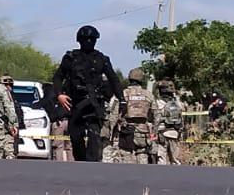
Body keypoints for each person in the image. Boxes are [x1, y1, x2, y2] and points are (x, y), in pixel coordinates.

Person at [47, 25, 121, 162]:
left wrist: (121, 100)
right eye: (85, 39)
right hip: (75, 103)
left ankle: (92, 164)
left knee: (94, 136)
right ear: (80, 40)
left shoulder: (102, 59)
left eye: (91, 39)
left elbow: (114, 79)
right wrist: (59, 95)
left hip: (94, 104)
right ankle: (81, 163)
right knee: (76, 137)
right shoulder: (70, 58)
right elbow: (58, 77)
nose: (88, 42)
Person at [106, 68, 155, 164]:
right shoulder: (149, 95)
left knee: (126, 157)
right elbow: (155, 114)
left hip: (126, 131)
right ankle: (143, 178)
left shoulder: (123, 94)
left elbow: (114, 114)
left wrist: (111, 132)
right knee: (142, 156)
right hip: (143, 132)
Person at [152, 78, 185, 165]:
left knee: (161, 160)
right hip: (174, 134)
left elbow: (155, 121)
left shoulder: (158, 103)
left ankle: (161, 177)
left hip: (161, 134)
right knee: (175, 161)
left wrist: (153, 136)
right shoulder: (178, 103)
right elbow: (181, 119)